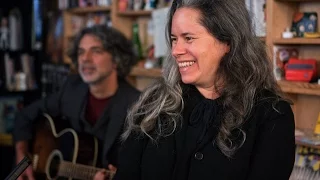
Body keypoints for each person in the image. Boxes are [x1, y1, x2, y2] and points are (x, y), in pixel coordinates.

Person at [113, 0, 296, 180]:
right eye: (174, 39)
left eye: (189, 38)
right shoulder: (153, 103)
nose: (176, 50)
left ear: (227, 42)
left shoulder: (271, 114)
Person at [13, 25, 140, 180]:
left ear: (116, 60)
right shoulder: (72, 89)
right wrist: (22, 156)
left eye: (96, 51)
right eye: (81, 52)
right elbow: (25, 115)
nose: (85, 59)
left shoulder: (138, 106)